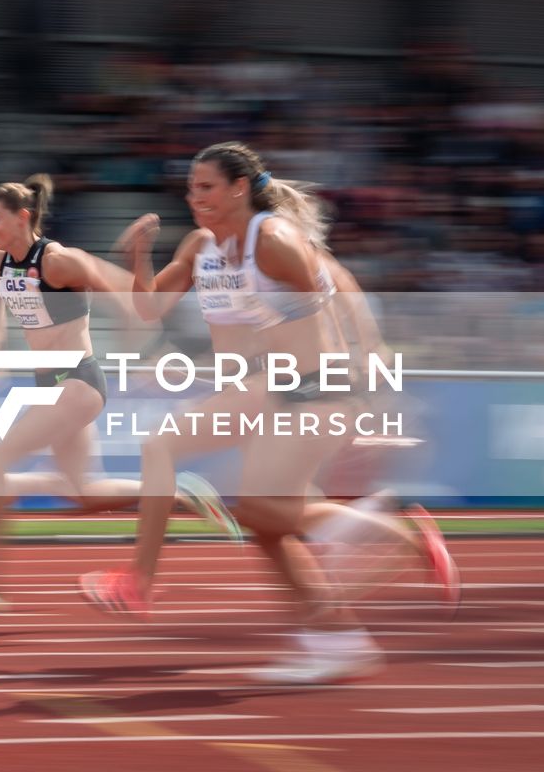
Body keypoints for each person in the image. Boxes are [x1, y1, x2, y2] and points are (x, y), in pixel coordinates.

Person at [79, 143, 456, 685]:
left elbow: (328, 316)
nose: (194, 197)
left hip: (314, 388)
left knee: (213, 481)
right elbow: (148, 308)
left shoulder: (274, 241)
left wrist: (366, 400)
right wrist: (139, 258)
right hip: (269, 388)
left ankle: (142, 581)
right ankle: (343, 623)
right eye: (190, 188)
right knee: (268, 519)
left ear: (239, 188)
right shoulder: (201, 246)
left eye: (206, 186)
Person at [0, 175, 232, 612]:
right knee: (81, 490)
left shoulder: (58, 261)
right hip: (47, 383)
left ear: (23, 217)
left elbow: (124, 295)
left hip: (79, 382)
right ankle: (179, 492)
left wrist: (144, 346)